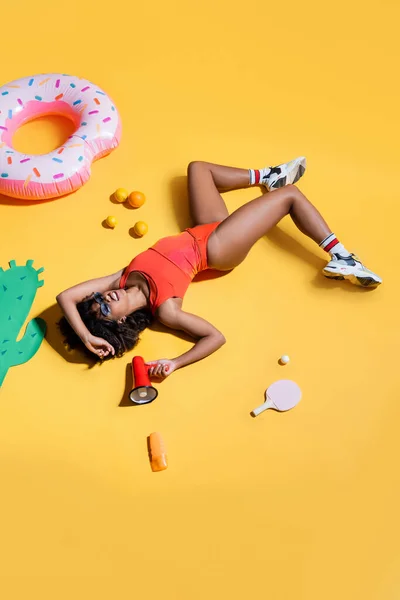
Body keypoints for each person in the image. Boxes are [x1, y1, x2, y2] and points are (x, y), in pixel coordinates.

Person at [57, 157, 381, 377]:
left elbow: (65, 296)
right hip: (219, 249)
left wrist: (85, 335)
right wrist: (175, 362)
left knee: (198, 169)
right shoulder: (165, 309)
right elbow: (215, 337)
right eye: (104, 308)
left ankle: (267, 177)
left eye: (98, 299)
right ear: (121, 320)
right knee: (290, 197)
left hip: (206, 229)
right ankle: (343, 257)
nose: (104, 299)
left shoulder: (120, 277)